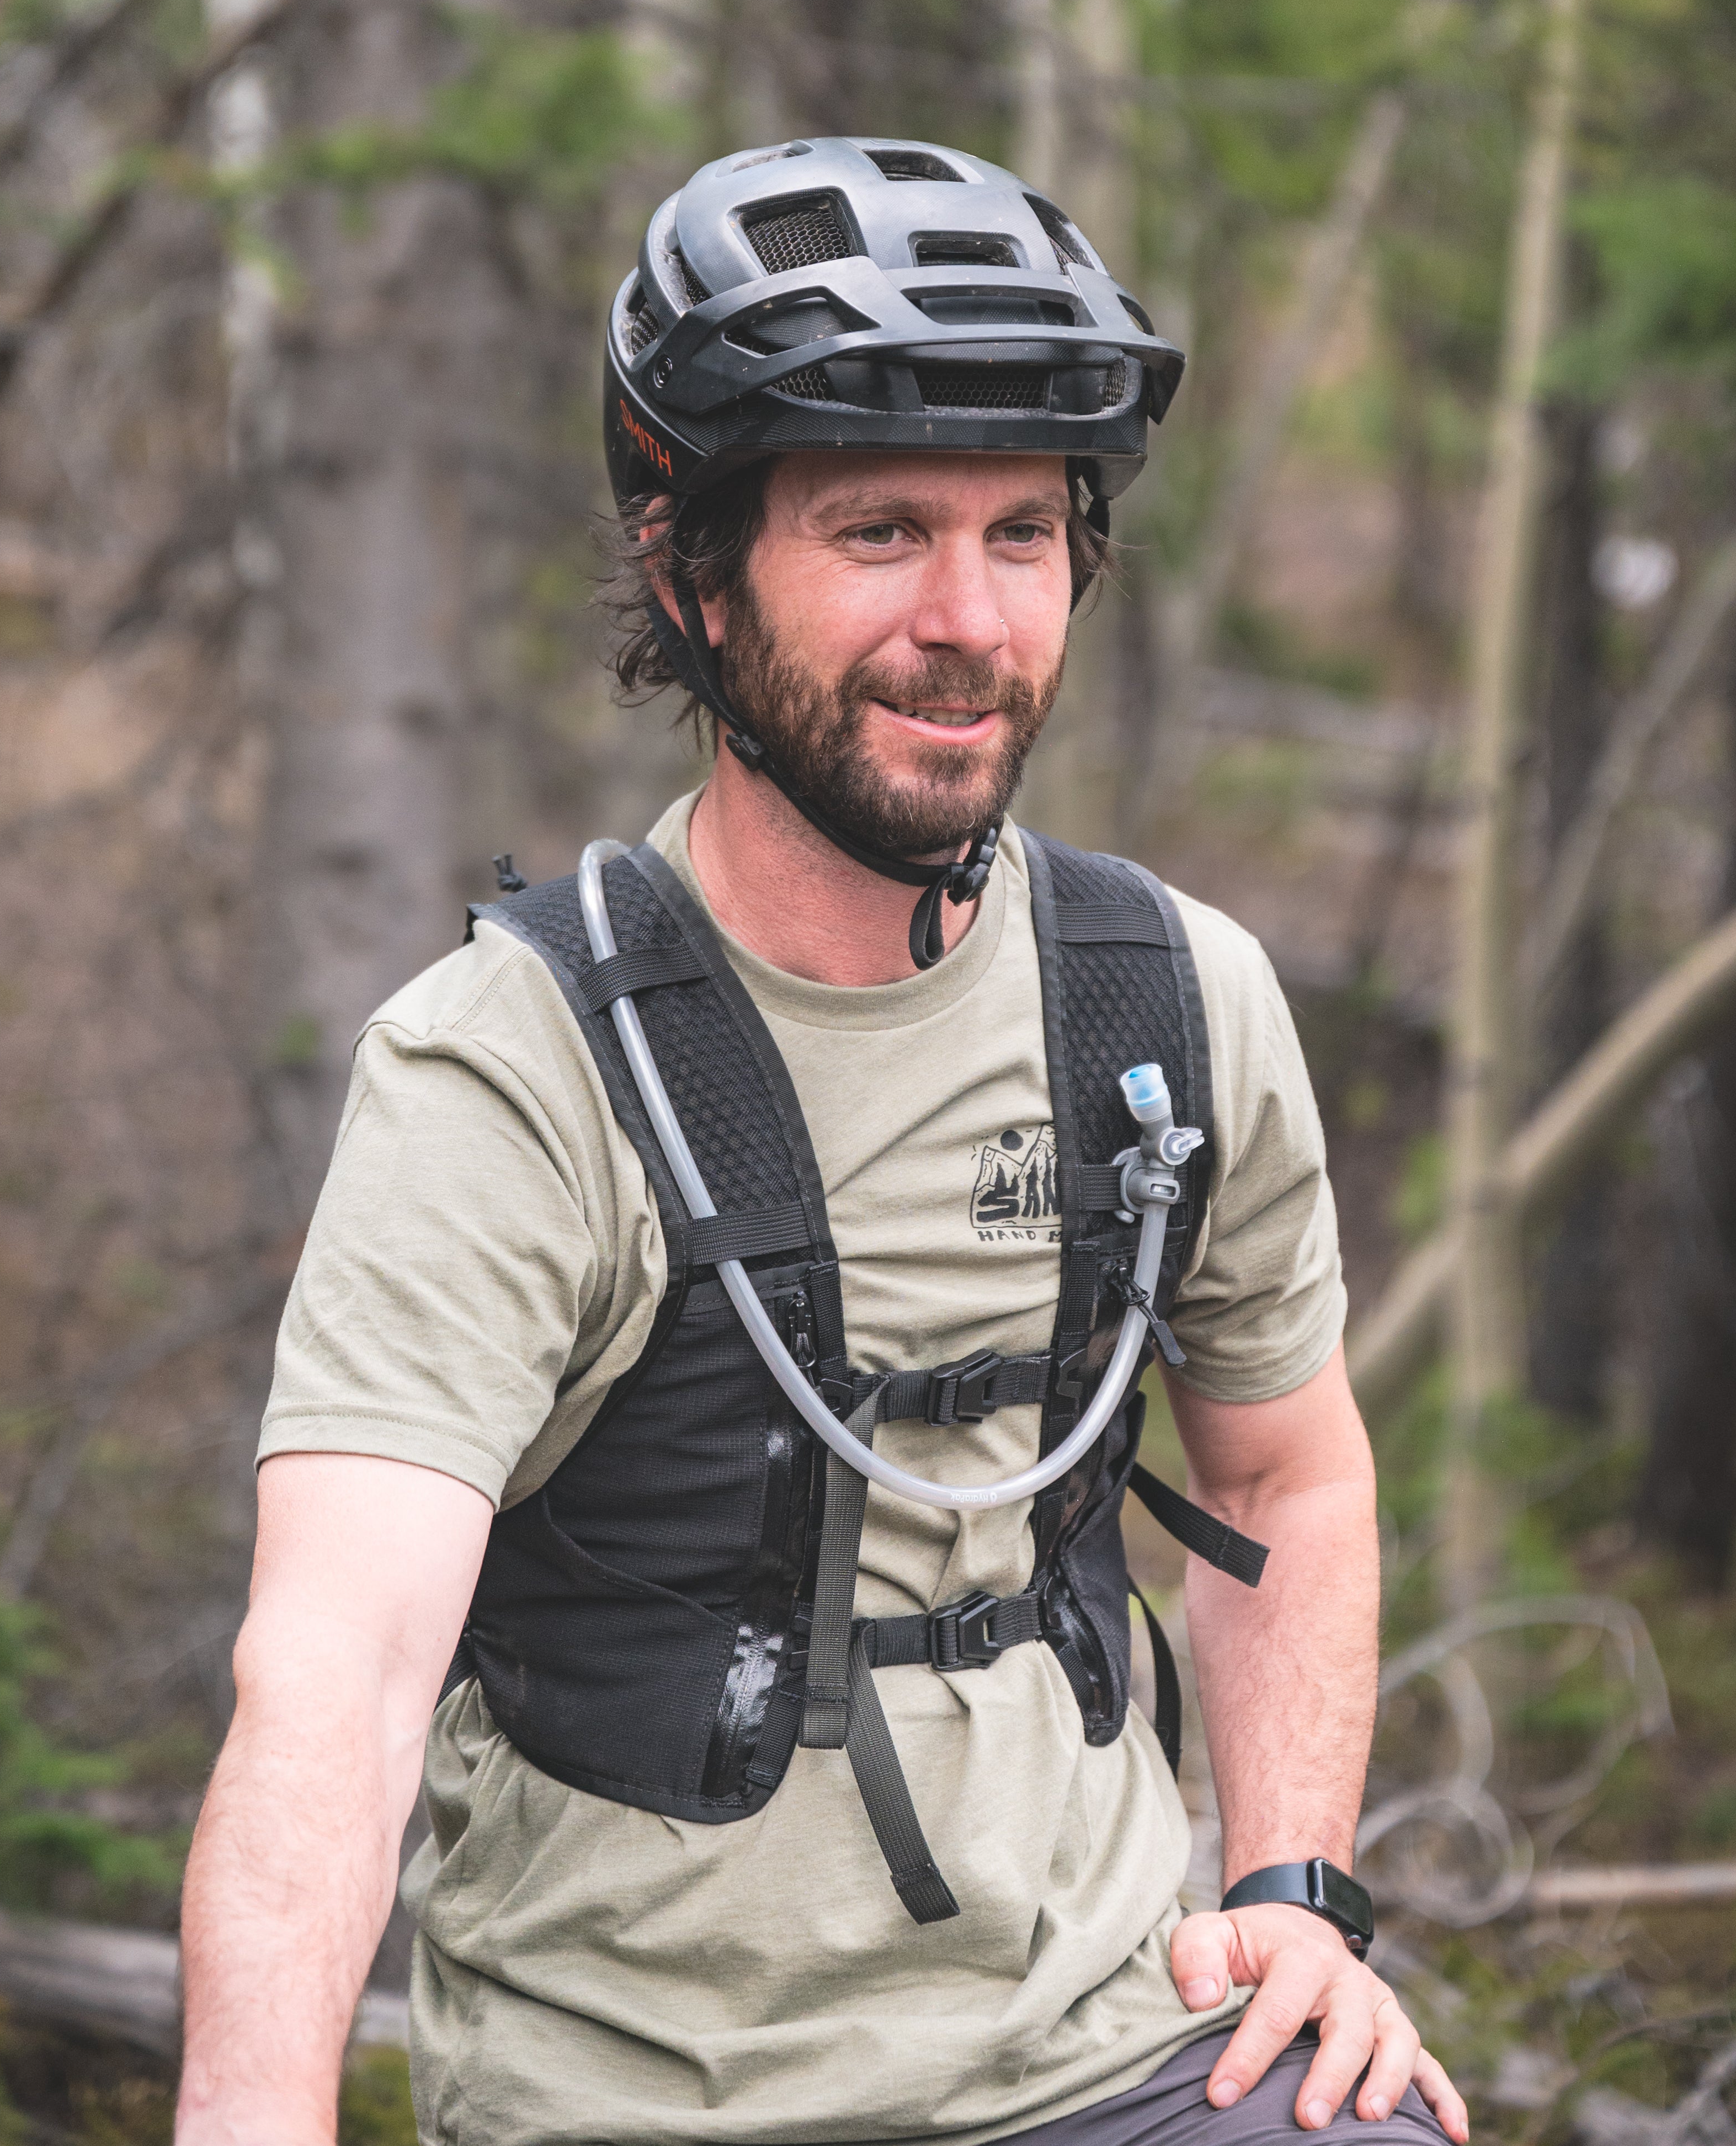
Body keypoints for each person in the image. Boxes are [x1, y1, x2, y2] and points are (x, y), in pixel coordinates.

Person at [177, 137, 1468, 2146]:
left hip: (1119, 2058)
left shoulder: (1171, 1001)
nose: (970, 621)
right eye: (881, 531)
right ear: (694, 573)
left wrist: (1294, 1888)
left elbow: (1288, 1470)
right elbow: (335, 1672)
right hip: (651, 2099)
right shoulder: (512, 1076)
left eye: (1023, 535)